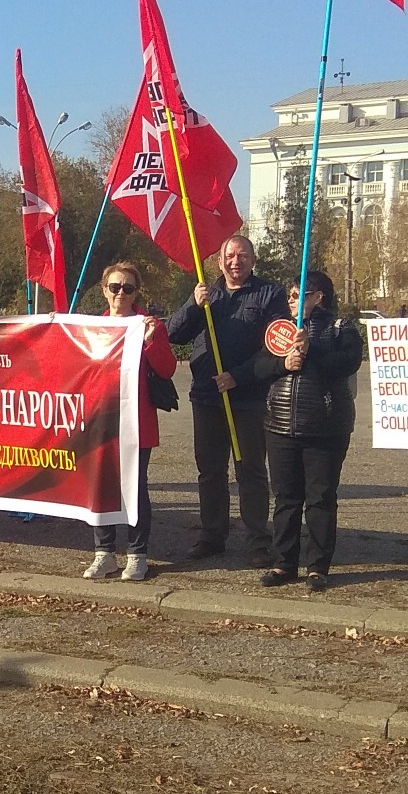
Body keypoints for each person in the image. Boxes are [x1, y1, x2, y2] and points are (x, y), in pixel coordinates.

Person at [166, 234, 290, 567]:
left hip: (247, 398)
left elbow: (275, 348)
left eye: (243, 256)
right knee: (210, 472)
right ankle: (212, 536)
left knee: (250, 471)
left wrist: (239, 375)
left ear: (253, 259)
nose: (236, 262)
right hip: (206, 397)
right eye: (230, 256)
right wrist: (193, 303)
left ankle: (258, 541)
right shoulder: (208, 294)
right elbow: (174, 334)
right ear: (220, 261)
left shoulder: (270, 294)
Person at [237, 271, 362, 592]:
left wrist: (312, 349)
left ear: (318, 296)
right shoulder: (279, 331)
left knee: (320, 498)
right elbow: (259, 368)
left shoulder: (340, 328)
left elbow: (348, 362)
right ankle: (284, 563)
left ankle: (318, 566)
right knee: (286, 498)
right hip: (279, 425)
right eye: (290, 295)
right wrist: (284, 364)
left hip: (325, 426)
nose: (292, 300)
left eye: (299, 294)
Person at [81, 262, 177, 583]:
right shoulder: (92, 327)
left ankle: (137, 555)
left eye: (128, 288)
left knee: (135, 490)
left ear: (136, 291)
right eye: (115, 287)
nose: (121, 293)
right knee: (101, 488)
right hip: (101, 422)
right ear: (104, 290)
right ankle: (104, 553)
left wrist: (151, 342)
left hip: (137, 423)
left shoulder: (148, 325)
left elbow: (166, 370)